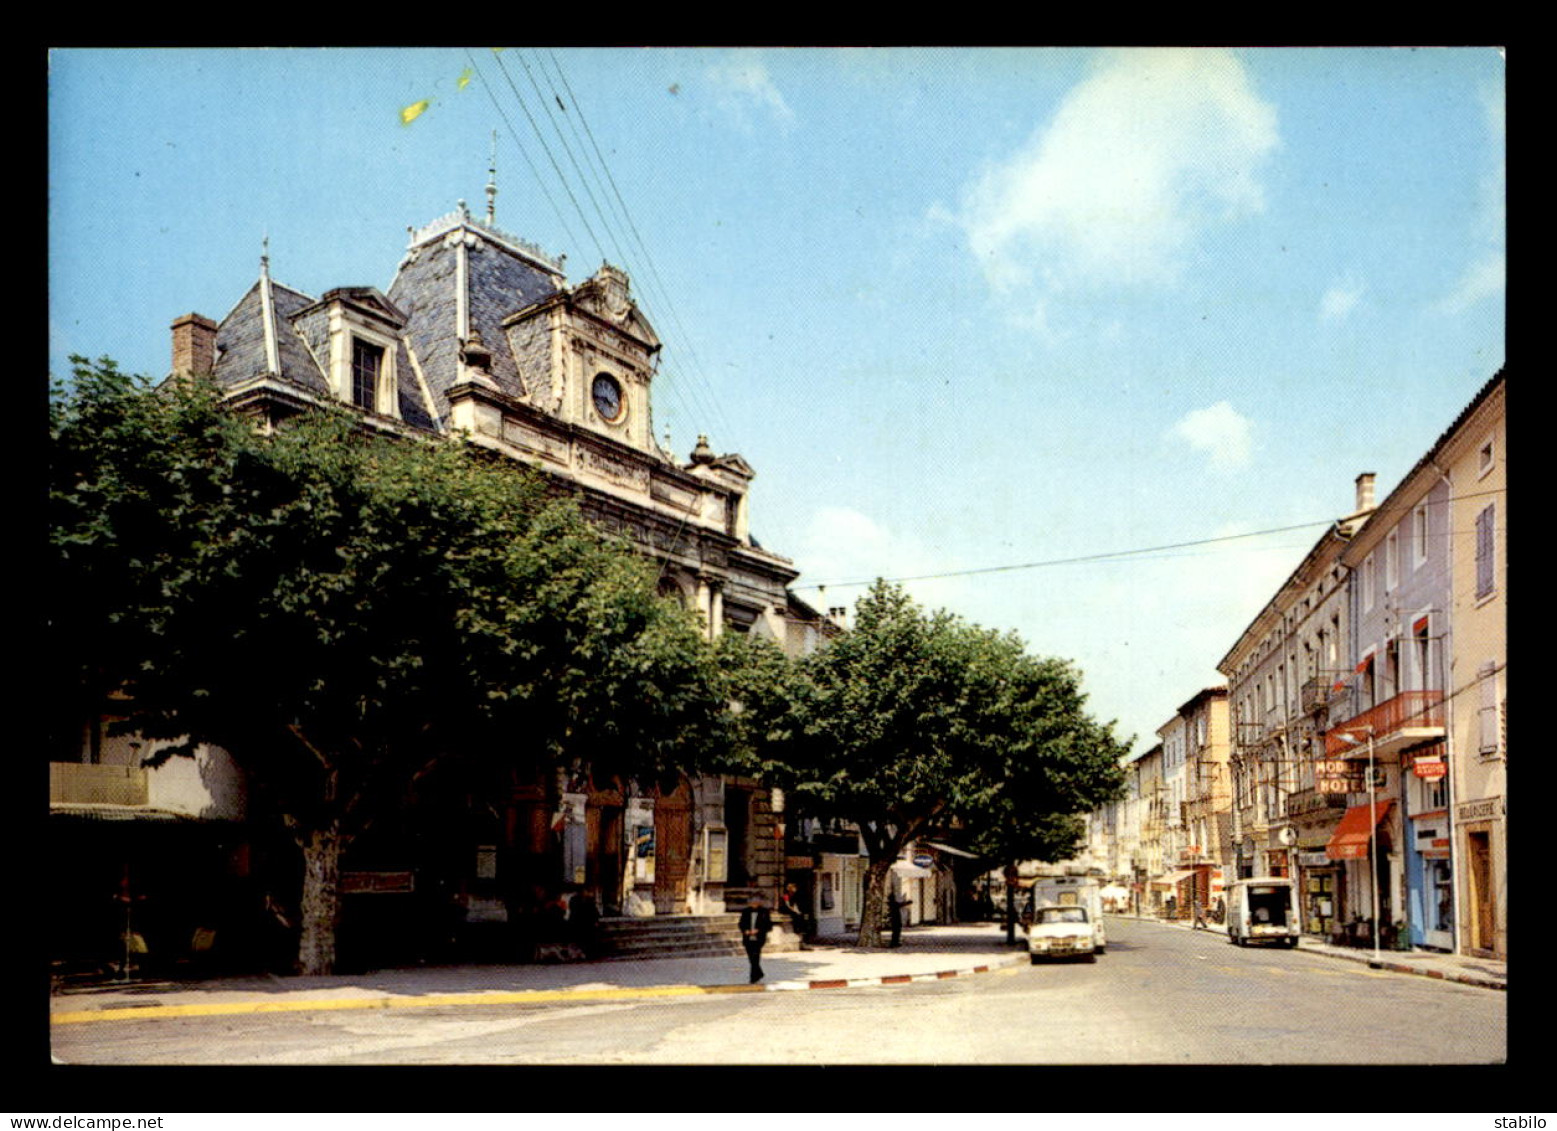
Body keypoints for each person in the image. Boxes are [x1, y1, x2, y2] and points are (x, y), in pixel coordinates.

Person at [738, 891, 773, 983]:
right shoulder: (745, 912)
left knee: (756, 956)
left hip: (758, 938)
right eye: (752, 903)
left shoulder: (764, 912)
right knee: (751, 957)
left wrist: (758, 930)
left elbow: (768, 926)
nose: (754, 904)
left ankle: (753, 977)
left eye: (756, 903)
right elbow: (741, 924)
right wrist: (745, 930)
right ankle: (759, 972)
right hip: (748, 937)